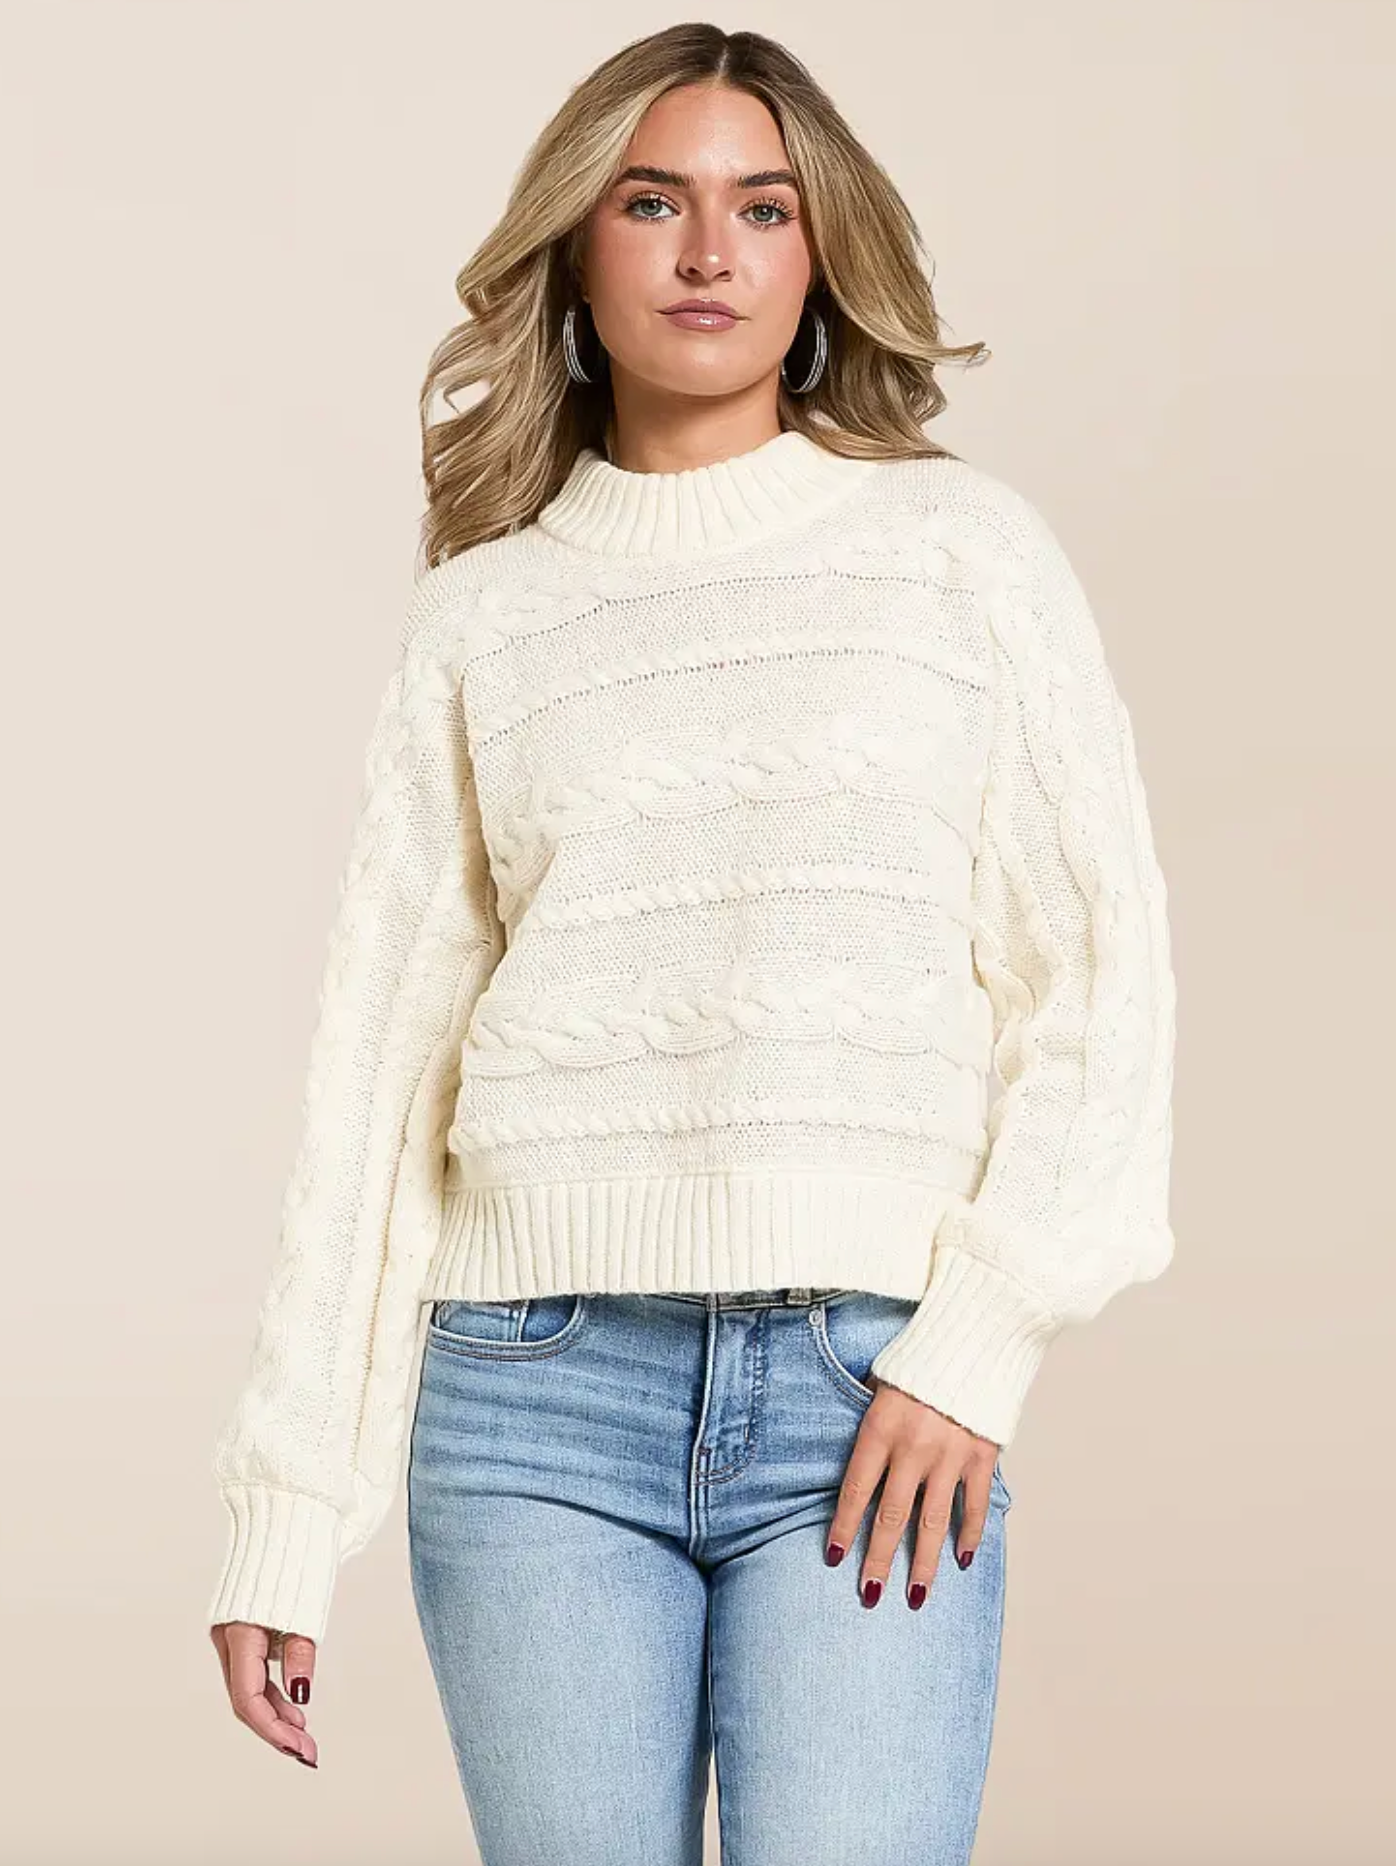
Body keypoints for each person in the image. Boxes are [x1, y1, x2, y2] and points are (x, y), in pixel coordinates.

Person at [207, 22, 1176, 1862]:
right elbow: (379, 1080)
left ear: (823, 257)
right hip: (530, 1406)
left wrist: (972, 1345)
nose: (710, 251)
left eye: (764, 208)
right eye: (654, 203)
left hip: (869, 1393)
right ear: (579, 247)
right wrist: (285, 1504)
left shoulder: (962, 556)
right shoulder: (485, 618)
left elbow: (1100, 986)